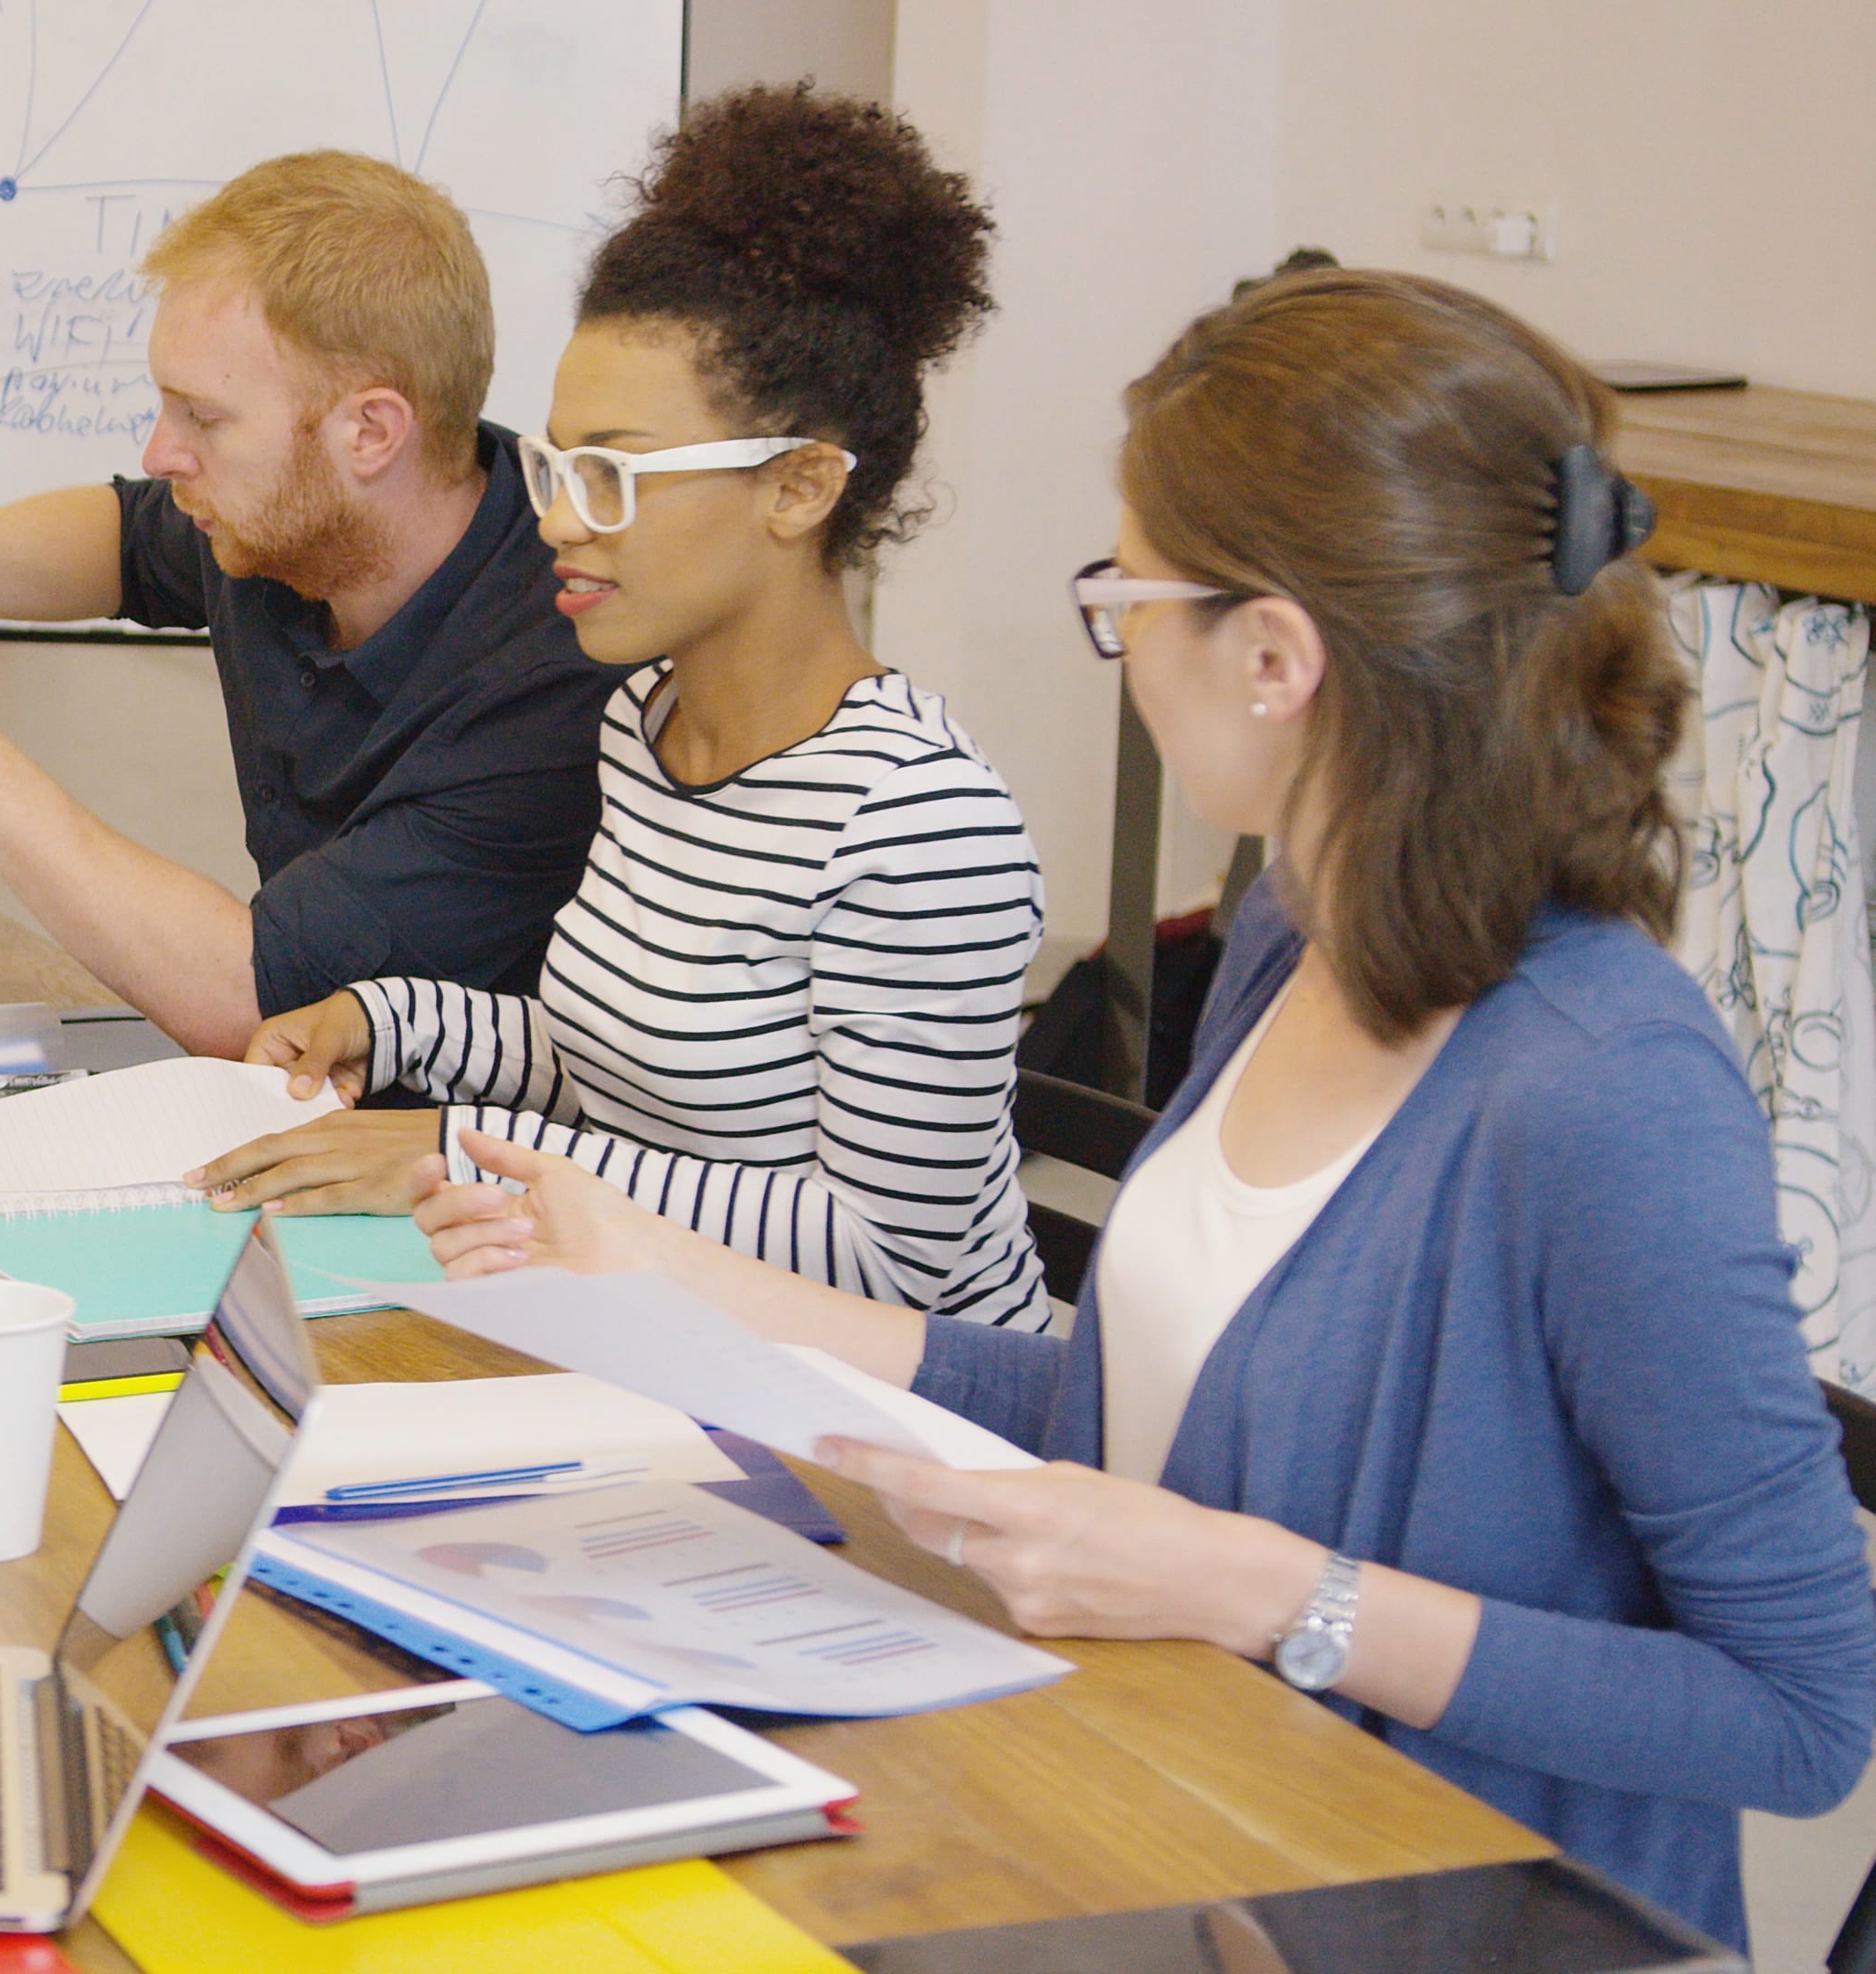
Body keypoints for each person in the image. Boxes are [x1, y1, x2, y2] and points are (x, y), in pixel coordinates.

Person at [414, 269, 1876, 1948]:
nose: (1115, 645)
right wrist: (673, 1271)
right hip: (1184, 1819)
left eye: (1127, 595)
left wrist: (1260, 1594)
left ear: (1272, 656)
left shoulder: (1605, 1092)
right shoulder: (1295, 935)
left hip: (1424, 1909)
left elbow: (1799, 1715)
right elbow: (1135, 1421)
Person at [196, 88, 1051, 1332]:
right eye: (555, 465)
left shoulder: (916, 824)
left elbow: (888, 1263)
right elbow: (626, 1066)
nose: (555, 517)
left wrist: (461, 1143)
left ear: (801, 487)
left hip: (902, 1446)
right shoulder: (643, 726)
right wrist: (393, 1022)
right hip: (673, 1349)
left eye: (614, 474)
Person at [0, 150, 614, 1057]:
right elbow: (122, 538)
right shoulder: (284, 524)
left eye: (203, 417)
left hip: (474, 1174)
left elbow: (255, 999)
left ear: (371, 430)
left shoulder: (548, 677)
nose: (164, 453)